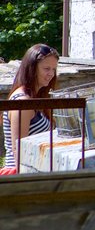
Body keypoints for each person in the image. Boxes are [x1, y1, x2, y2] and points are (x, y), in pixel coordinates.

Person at [2, 44, 60, 174]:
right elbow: (19, 152)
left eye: (54, 69)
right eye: (46, 68)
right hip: (20, 175)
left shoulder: (37, 98)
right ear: (32, 68)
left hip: (36, 171)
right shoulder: (23, 103)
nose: (51, 74)